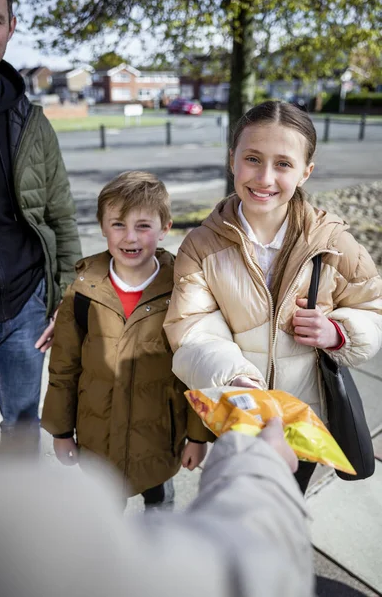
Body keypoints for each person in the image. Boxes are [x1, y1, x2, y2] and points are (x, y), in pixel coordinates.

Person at [164, 100, 382, 494]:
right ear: (232, 160)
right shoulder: (200, 245)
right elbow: (191, 327)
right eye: (252, 158)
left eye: (283, 164)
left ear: (305, 172)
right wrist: (235, 377)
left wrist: (338, 332)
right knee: (239, 506)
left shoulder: (333, 243)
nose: (264, 177)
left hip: (304, 420)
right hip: (241, 415)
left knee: (286, 503)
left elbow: (372, 307)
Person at [0, 418, 315, 597]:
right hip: (107, 444)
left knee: (160, 491)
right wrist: (261, 465)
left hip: (157, 448)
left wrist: (196, 437)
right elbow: (246, 570)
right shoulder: (16, 529)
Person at [41, 171, 214, 509]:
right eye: (118, 224)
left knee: (159, 507)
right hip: (97, 437)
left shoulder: (183, 290)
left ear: (165, 228)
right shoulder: (82, 291)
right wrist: (60, 432)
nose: (130, 237)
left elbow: (196, 372)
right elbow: (63, 369)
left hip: (160, 438)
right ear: (103, 227)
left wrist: (197, 435)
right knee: (102, 519)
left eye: (143, 226)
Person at [0, 0, 81, 437]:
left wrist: (66, 298)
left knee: (23, 428)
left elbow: (61, 216)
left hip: (27, 309)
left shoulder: (33, 123)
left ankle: (14, 509)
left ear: (10, 28)